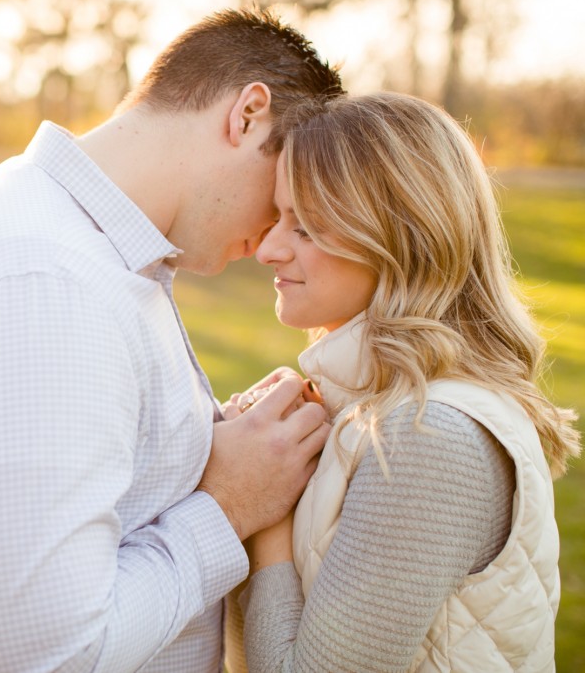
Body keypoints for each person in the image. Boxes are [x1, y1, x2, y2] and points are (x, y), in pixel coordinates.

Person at [0, 8, 343, 672]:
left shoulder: (100, 259)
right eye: (282, 200)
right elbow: (35, 658)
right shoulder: (38, 279)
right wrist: (224, 504)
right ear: (247, 114)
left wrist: (218, 443)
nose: (275, 238)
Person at [224, 92, 581, 672]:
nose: (267, 248)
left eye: (307, 227)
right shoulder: (370, 403)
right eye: (277, 217)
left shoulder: (430, 436)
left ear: (400, 238)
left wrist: (268, 517)